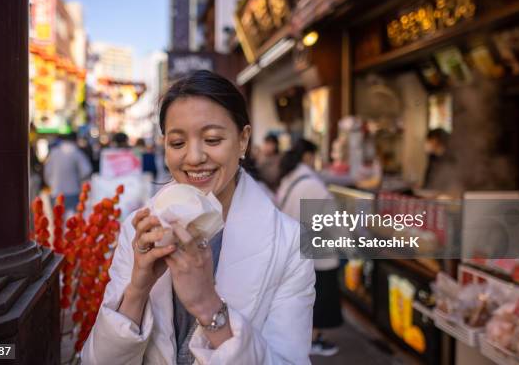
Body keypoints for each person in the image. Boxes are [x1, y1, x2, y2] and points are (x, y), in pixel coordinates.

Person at [82, 70, 315, 364]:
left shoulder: (290, 244)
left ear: (243, 140)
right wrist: (138, 288)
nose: (193, 157)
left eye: (213, 139)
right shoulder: (138, 229)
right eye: (177, 143)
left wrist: (208, 306)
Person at [276, 139, 343, 357]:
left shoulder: (289, 179)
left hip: (294, 250)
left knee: (304, 299)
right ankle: (312, 340)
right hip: (317, 253)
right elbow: (332, 221)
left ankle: (306, 337)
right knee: (319, 298)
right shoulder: (312, 184)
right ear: (307, 156)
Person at [43, 132, 92, 211]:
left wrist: (51, 184)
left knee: (58, 220)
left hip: (55, 192)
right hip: (73, 191)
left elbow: (47, 172)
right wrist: (78, 180)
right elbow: (86, 171)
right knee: (72, 220)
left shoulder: (54, 152)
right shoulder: (76, 152)